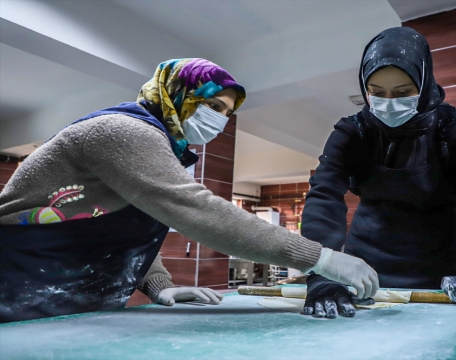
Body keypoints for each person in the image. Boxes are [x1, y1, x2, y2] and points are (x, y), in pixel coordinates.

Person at [0, 58, 378, 323]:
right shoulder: (122, 131)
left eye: (226, 112)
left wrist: (159, 286)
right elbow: (194, 209)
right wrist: (321, 258)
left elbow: (128, 225)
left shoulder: (162, 148)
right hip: (18, 288)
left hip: (67, 304)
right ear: (176, 93)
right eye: (211, 104)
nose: (219, 119)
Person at [300, 27, 456, 319]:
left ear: (423, 85)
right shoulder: (352, 131)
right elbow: (323, 197)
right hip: (366, 262)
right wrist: (323, 272)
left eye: (403, 92)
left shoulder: (451, 128)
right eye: (377, 93)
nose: (389, 102)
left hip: (445, 263)